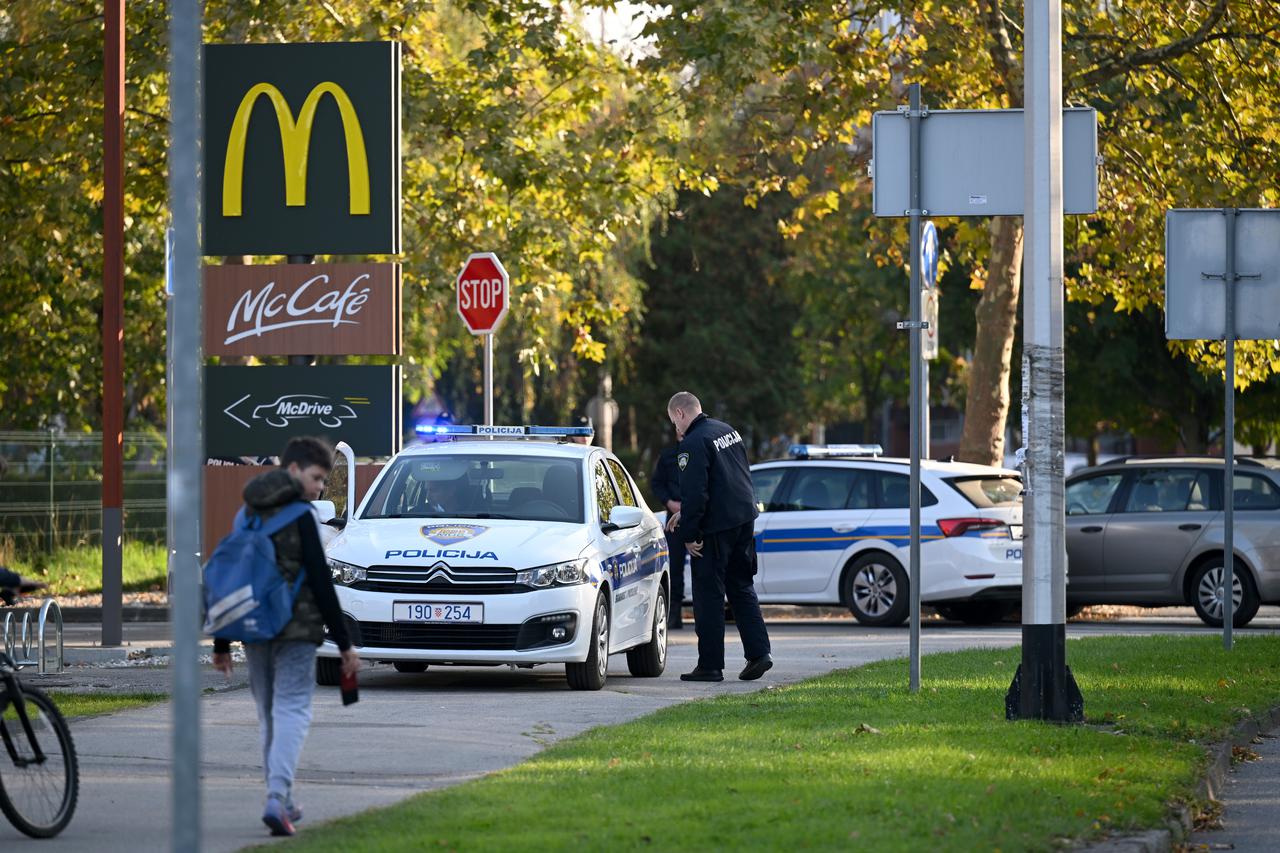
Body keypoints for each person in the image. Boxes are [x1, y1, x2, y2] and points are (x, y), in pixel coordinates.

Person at [211, 436, 360, 837]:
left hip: (254, 629)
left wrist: (222, 642)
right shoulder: (301, 514)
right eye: (316, 478)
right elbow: (320, 579)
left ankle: (285, 798)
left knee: (269, 716)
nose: (319, 488)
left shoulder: (247, 512)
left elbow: (232, 578)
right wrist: (345, 644)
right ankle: (277, 798)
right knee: (293, 709)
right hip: (295, 629)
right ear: (292, 470)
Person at [665, 391, 772, 682]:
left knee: (708, 596)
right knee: (741, 586)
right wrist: (686, 513)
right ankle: (759, 653)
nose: (675, 429)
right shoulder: (727, 431)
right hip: (743, 521)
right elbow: (727, 480)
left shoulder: (692, 444)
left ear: (680, 415)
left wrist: (689, 534)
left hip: (715, 531)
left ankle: (710, 666)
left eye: (674, 422)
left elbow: (696, 492)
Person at [650, 442, 686, 629]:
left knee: (704, 567)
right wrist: (668, 502)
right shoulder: (668, 455)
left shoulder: (700, 448)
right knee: (675, 567)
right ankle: (674, 614)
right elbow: (656, 483)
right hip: (674, 519)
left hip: (699, 514)